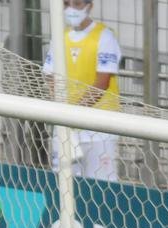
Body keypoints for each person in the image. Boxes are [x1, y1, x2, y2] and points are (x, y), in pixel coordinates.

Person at [41, 0, 121, 182]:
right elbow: (50, 76)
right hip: (66, 128)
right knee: (63, 182)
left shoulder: (105, 36)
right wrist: (63, 112)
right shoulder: (60, 38)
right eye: (66, 4)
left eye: (76, 4)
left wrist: (74, 112)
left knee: (101, 185)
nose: (71, 9)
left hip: (99, 127)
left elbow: (102, 82)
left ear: (89, 6)